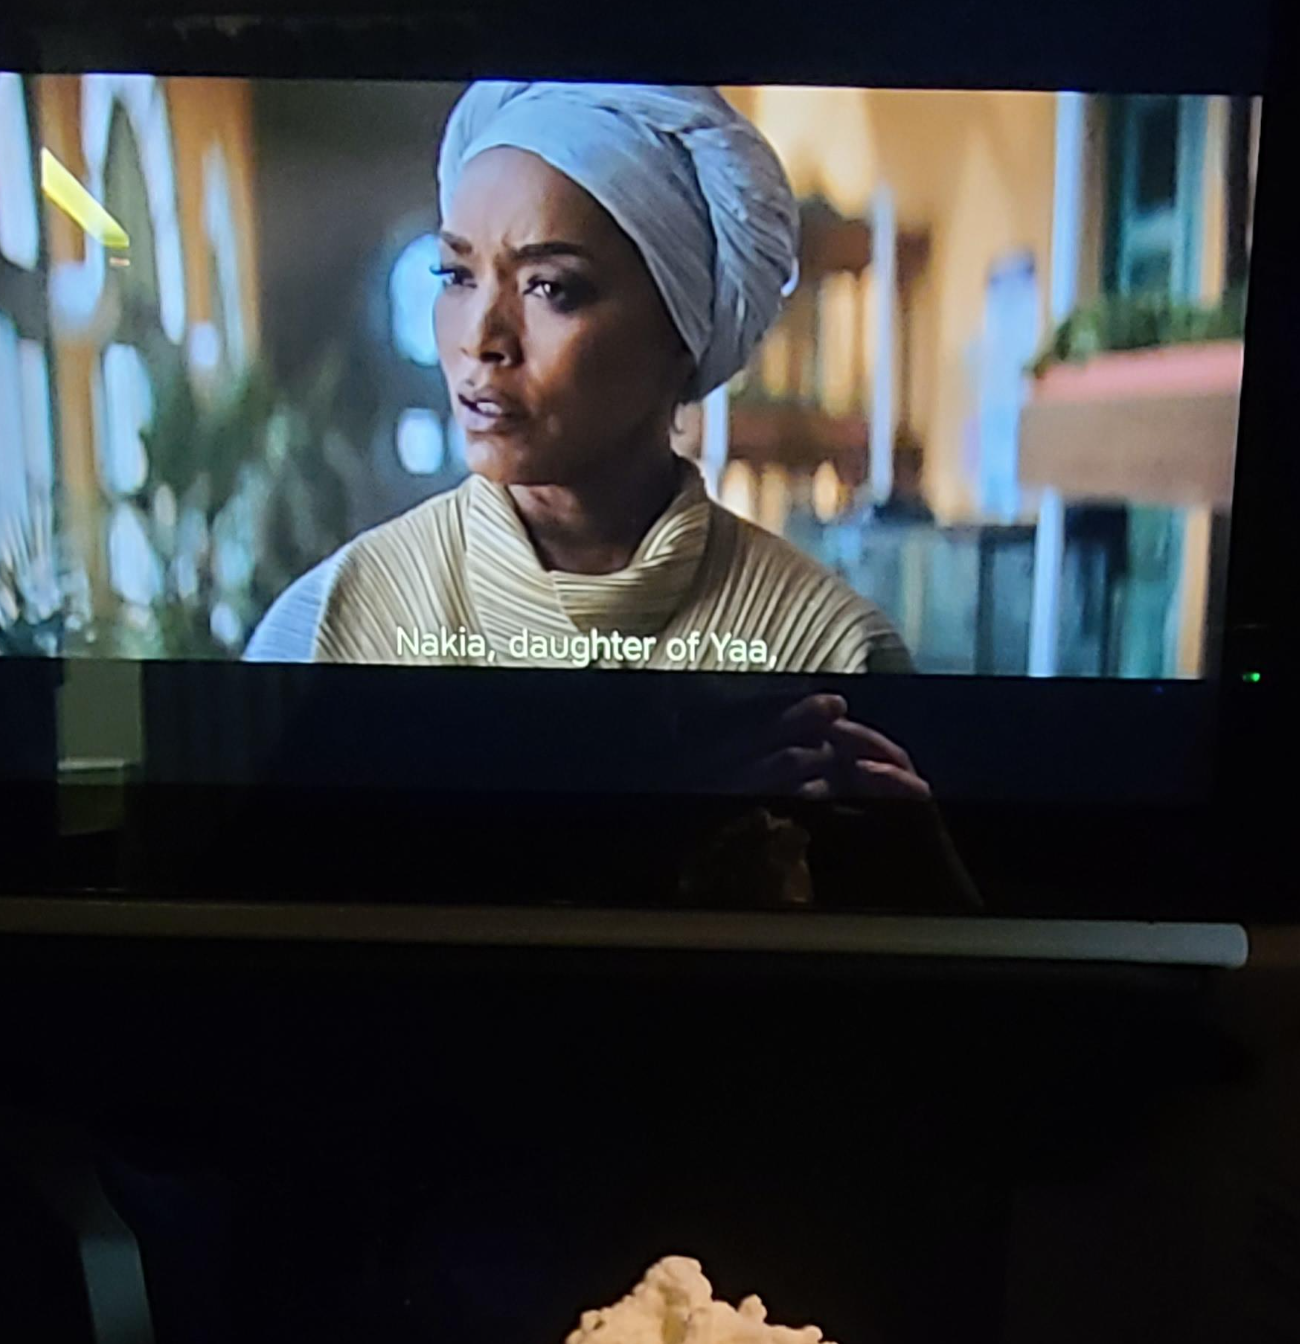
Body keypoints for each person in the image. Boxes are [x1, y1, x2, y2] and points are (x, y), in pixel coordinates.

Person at [310, 80, 926, 807]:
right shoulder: (341, 614)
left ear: (681, 329)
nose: (480, 338)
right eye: (457, 276)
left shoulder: (829, 649)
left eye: (550, 288)